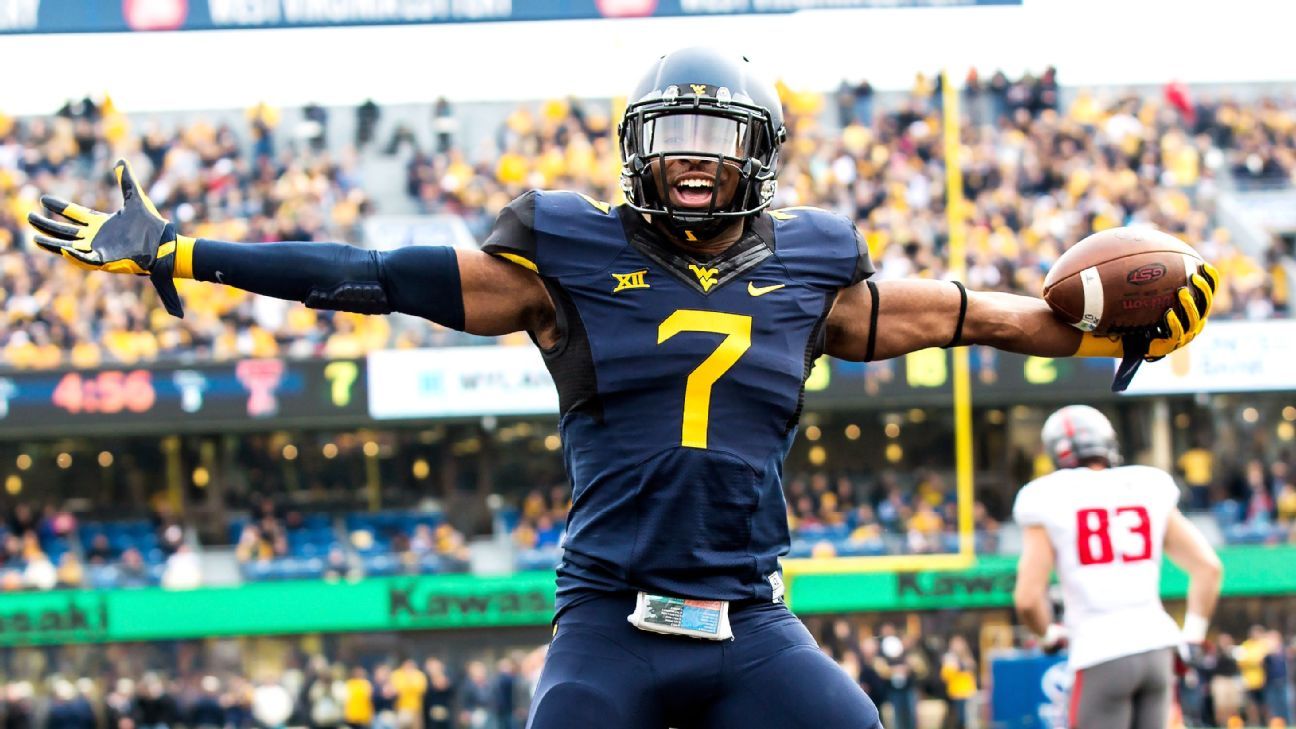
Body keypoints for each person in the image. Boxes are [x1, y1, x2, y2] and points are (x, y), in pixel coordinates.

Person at [30, 48, 1216, 729]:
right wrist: (186, 251)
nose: (693, 155)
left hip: (750, 620)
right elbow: (373, 274)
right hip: (609, 616)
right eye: (674, 133)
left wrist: (1125, 331)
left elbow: (984, 317)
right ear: (637, 146)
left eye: (718, 134)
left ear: (757, 154)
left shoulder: (813, 272)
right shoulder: (563, 258)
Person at [1013, 405, 1224, 729]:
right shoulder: (1146, 484)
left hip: (1100, 651)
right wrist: (1193, 637)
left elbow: (1028, 599)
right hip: (1156, 648)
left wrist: (1047, 635)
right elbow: (1208, 567)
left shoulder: (1046, 496)